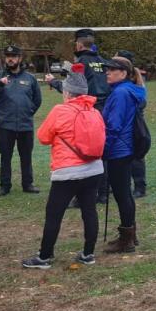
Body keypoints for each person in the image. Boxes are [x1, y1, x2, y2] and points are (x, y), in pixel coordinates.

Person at [22, 70, 104, 269]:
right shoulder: (94, 112)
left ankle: (44, 256)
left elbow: (43, 137)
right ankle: (88, 253)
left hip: (67, 171)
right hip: (93, 169)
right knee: (89, 211)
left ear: (67, 93)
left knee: (54, 213)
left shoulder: (60, 111)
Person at [47, 29, 110, 203]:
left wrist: (52, 81)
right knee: (101, 150)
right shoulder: (103, 62)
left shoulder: (80, 63)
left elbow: (73, 88)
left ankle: (83, 194)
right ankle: (104, 193)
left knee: (83, 151)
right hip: (104, 110)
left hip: (85, 111)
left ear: (79, 44)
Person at [101, 56, 147, 253]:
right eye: (107, 69)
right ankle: (130, 235)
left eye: (112, 69)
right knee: (124, 193)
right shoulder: (125, 90)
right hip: (124, 148)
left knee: (122, 194)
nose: (107, 72)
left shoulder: (121, 93)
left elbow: (114, 125)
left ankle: (126, 239)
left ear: (124, 73)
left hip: (119, 150)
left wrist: (104, 148)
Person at [0, 44, 42, 197]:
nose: (10, 59)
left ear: (19, 58)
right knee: (5, 157)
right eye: (8, 57)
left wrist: (29, 112)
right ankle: (5, 186)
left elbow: (37, 99)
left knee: (26, 156)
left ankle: (28, 184)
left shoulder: (30, 78)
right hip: (6, 125)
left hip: (25, 125)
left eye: (13, 57)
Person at [117, 50, 149, 198]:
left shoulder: (133, 82)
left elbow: (142, 102)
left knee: (136, 156)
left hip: (134, 124)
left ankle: (139, 187)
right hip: (128, 122)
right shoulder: (127, 81)